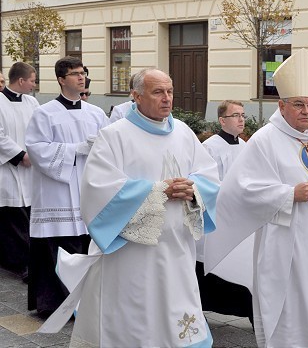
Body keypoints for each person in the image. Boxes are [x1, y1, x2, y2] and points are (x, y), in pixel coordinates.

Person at [204, 48, 308, 347]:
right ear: (282, 106)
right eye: (299, 104)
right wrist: (287, 194)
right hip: (292, 244)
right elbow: (241, 189)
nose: (307, 111)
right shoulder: (264, 141)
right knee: (301, 300)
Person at [39, 68, 220, 347]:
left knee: (178, 316)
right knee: (136, 320)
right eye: (158, 92)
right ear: (135, 96)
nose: (167, 99)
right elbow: (99, 191)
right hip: (132, 255)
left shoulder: (183, 132)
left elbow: (209, 176)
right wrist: (159, 191)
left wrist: (193, 188)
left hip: (177, 249)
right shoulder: (114, 136)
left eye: (169, 91)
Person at [25, 56, 109, 317]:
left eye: (82, 72)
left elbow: (109, 148)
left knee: (85, 245)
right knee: (57, 247)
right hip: (57, 192)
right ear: (61, 80)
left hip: (86, 187)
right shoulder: (44, 112)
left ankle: (87, 303)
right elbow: (36, 149)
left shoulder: (95, 113)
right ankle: (53, 304)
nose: (80, 77)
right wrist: (76, 150)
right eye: (74, 74)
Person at [196, 100, 253, 324]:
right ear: (222, 120)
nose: (241, 120)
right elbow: (208, 183)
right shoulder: (210, 147)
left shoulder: (246, 146)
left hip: (241, 217)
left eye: (243, 115)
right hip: (218, 217)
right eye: (235, 115)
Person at [0, 62, 39, 281]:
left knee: (29, 216)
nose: (34, 84)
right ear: (22, 81)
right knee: (14, 220)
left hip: (31, 168)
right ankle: (22, 264)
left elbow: (39, 128)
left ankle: (30, 262)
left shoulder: (32, 102)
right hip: (8, 170)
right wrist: (20, 155)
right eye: (32, 80)